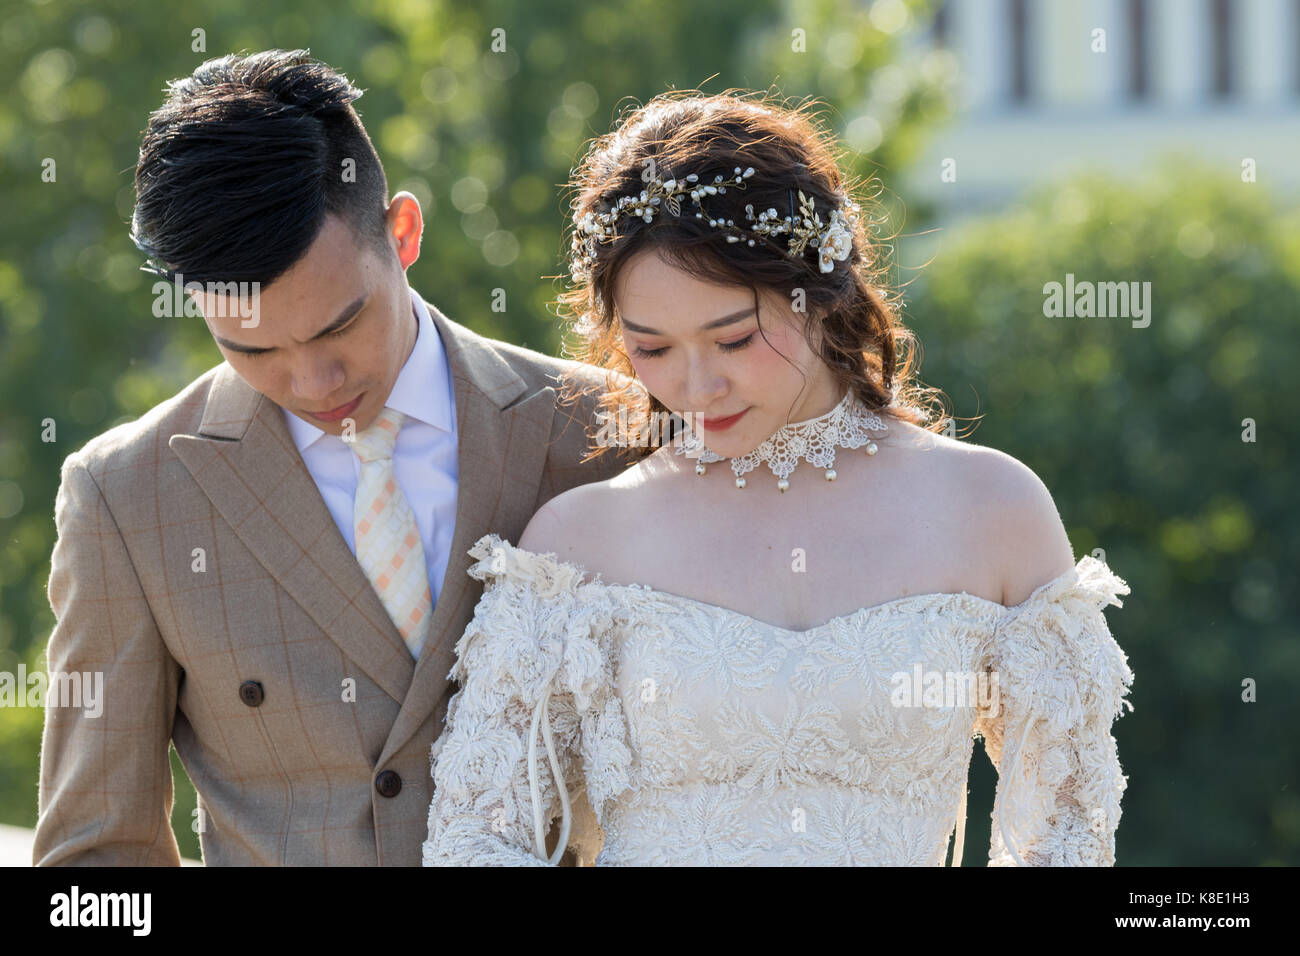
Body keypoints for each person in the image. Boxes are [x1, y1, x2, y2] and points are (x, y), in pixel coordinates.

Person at [422, 90, 1137, 866]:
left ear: (822, 295)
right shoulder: (575, 543)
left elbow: (1066, 836)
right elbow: (479, 840)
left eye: (732, 338)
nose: (697, 387)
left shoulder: (993, 509)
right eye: (653, 348)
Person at [33, 49, 628, 866]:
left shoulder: (603, 430)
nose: (313, 383)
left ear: (404, 231)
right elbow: (92, 869)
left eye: (338, 326)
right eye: (252, 348)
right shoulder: (127, 497)